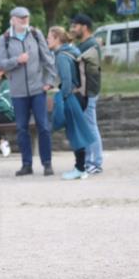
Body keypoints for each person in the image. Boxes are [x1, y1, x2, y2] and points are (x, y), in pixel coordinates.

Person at [0, 6, 56, 176]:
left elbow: (48, 59)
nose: (24, 20)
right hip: (18, 92)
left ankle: (47, 163)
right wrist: (17, 60)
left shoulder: (36, 34)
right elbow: (0, 63)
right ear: (13, 19)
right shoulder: (5, 39)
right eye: (21, 18)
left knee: (43, 127)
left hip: (38, 89)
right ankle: (26, 164)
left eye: (26, 17)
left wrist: (49, 82)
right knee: (22, 128)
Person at [46, 26, 94, 180]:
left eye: (49, 37)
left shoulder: (61, 56)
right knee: (77, 131)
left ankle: (80, 168)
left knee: (75, 133)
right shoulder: (72, 51)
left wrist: (64, 97)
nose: (47, 40)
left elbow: (66, 82)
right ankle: (81, 167)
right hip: (81, 95)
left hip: (72, 97)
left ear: (57, 39)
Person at [70, 14, 103, 174]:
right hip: (84, 92)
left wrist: (86, 92)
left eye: (75, 26)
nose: (73, 29)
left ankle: (95, 163)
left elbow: (92, 73)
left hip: (88, 92)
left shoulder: (91, 45)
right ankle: (90, 160)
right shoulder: (83, 44)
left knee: (90, 126)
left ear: (84, 27)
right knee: (87, 126)